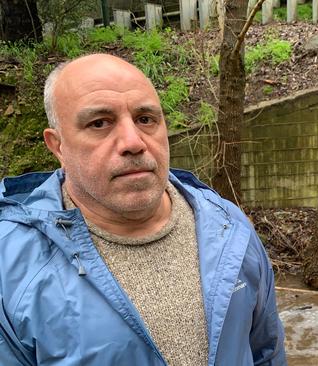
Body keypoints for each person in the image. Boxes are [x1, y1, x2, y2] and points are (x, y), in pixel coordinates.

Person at [0, 54, 286, 365]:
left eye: (145, 119)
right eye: (99, 123)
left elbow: (266, 353)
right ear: (58, 145)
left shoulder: (229, 228)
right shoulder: (12, 266)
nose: (133, 142)